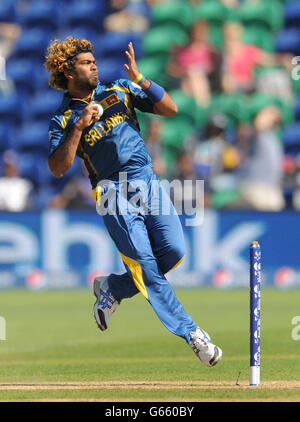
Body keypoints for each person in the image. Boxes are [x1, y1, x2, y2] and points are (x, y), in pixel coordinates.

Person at [44, 36, 222, 367]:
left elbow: (171, 108)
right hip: (111, 191)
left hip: (146, 179)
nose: (94, 65)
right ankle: (192, 333)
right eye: (85, 62)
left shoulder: (121, 89)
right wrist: (80, 128)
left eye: (94, 60)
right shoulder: (63, 118)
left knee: (173, 251)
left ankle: (113, 287)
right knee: (146, 266)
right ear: (68, 72)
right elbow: (57, 168)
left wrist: (142, 80)